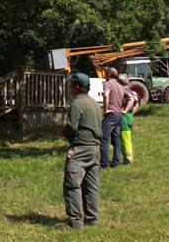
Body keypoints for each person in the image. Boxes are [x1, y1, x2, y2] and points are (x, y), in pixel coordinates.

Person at [62, 72, 103, 229]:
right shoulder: (94, 103)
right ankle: (92, 220)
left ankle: (75, 223)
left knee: (72, 185)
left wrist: (62, 132)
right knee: (91, 186)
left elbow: (72, 126)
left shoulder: (77, 103)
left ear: (77, 87)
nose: (70, 88)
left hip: (80, 149)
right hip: (95, 149)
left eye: (72, 85)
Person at [101, 68, 130, 169]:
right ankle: (116, 162)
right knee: (116, 139)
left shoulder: (108, 83)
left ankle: (104, 163)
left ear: (109, 74)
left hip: (111, 115)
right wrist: (125, 111)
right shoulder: (120, 86)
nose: (105, 75)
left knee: (104, 139)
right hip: (119, 115)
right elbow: (131, 98)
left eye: (105, 73)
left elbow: (106, 95)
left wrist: (105, 110)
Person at [117, 73, 139, 164]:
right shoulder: (132, 92)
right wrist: (131, 113)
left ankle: (128, 159)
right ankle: (126, 159)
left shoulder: (122, 92)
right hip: (129, 116)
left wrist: (124, 112)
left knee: (125, 139)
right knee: (125, 138)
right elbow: (137, 104)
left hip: (125, 117)